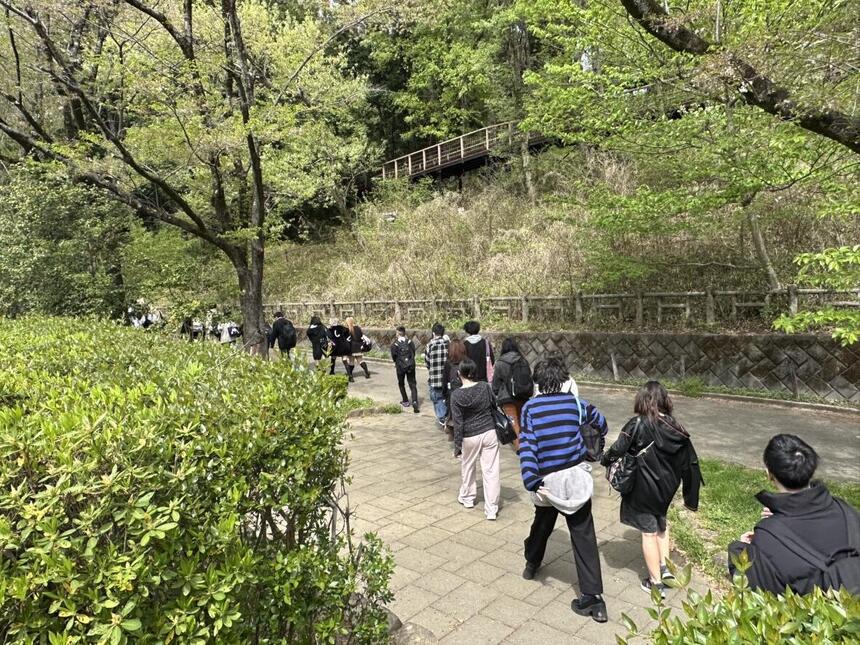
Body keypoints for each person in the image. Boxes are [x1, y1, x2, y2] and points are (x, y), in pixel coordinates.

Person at [519, 357, 609, 623]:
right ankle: (594, 600)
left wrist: (530, 479)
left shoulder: (530, 409)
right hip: (576, 478)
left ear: (538, 381)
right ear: (563, 379)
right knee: (584, 535)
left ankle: (532, 564)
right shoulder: (577, 405)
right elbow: (602, 424)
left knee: (542, 525)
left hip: (548, 482)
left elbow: (528, 446)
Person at [601, 381, 702, 599]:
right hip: (667, 487)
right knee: (661, 525)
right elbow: (690, 463)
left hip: (643, 486)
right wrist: (690, 498)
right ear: (665, 400)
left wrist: (605, 460)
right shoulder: (676, 427)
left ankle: (655, 583)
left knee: (648, 532)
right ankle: (665, 569)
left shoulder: (637, 424)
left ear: (642, 400)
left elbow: (618, 448)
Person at [727, 434, 860, 595]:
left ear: (769, 473)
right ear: (811, 470)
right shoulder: (846, 511)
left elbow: (753, 590)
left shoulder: (769, 537)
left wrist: (740, 549)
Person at [450, 359, 500, 520]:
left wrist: (457, 446)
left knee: (468, 467)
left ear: (459, 374)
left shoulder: (456, 395)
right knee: (491, 471)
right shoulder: (485, 386)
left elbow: (458, 423)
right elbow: (494, 404)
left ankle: (468, 498)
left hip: (469, 436)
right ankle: (491, 509)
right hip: (489, 431)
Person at [491, 338, 533, 450]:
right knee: (522, 421)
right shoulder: (523, 360)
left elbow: (495, 384)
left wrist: (496, 393)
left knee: (513, 424)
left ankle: (521, 449)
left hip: (507, 399)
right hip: (523, 396)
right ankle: (529, 444)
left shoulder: (500, 362)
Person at [424, 323, 450, 427]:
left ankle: (442, 418)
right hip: (447, 378)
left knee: (437, 399)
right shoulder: (448, 344)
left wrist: (432, 369)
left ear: (433, 333)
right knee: (447, 397)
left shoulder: (430, 345)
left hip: (435, 379)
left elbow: (427, 362)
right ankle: (447, 417)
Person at [390, 326, 419, 413]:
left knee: (401, 383)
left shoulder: (394, 345)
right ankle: (414, 401)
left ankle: (405, 401)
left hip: (400, 367)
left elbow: (394, 357)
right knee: (412, 384)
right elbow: (413, 353)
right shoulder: (410, 342)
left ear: (398, 334)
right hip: (410, 366)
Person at [443, 339, 466, 443]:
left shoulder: (448, 363)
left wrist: (444, 395)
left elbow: (444, 380)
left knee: (454, 417)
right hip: (466, 393)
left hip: (452, 394)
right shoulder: (467, 362)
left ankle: (456, 440)